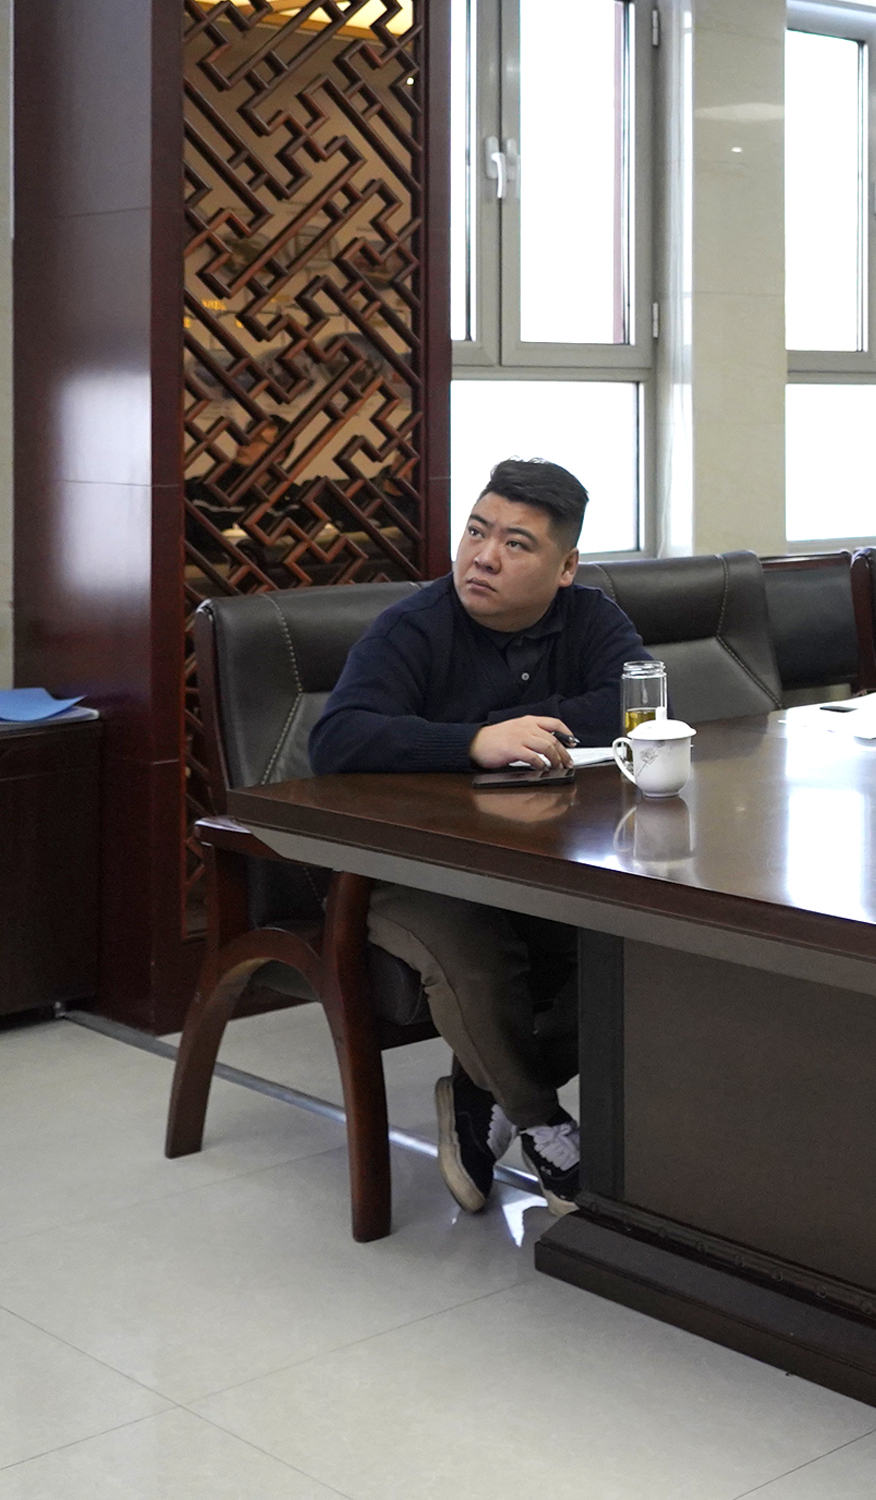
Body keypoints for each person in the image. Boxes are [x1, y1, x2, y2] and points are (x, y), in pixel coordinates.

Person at [311, 458, 650, 1217]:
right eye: (475, 532)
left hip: (540, 860)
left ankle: (478, 1091)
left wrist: (524, 728)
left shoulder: (592, 618)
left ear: (566, 568)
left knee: (632, 944)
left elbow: (637, 703)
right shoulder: (414, 627)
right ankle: (545, 1126)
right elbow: (338, 738)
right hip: (402, 868)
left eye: (516, 544)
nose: (484, 557)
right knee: (475, 951)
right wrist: (472, 741)